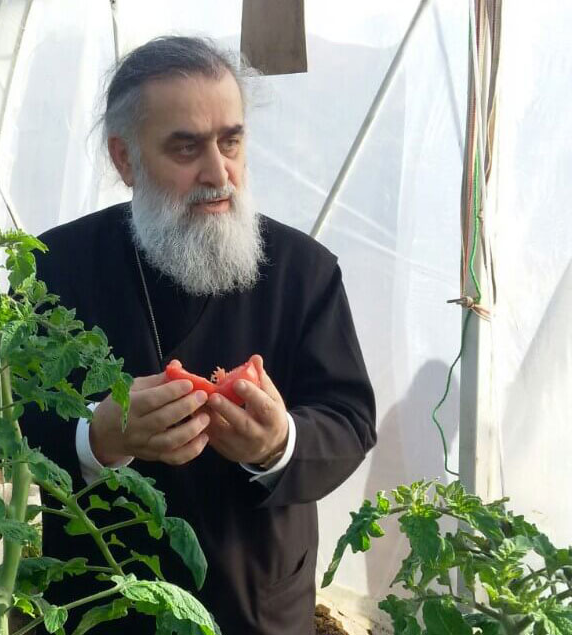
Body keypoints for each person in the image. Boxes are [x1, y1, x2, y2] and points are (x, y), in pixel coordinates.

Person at [21, 36, 376, 635]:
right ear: (125, 159)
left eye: (230, 141)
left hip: (256, 607)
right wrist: (94, 437)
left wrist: (279, 443)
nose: (219, 174)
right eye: (186, 148)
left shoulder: (304, 271)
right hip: (101, 604)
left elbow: (349, 421)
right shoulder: (56, 266)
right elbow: (15, 424)